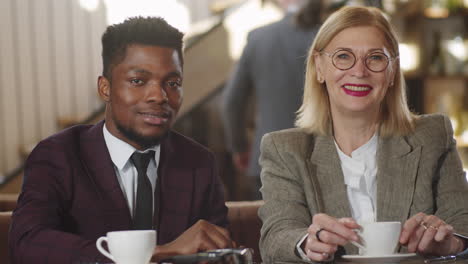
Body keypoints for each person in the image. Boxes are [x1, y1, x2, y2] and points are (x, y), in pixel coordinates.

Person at [9, 17, 234, 264]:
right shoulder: (58, 155)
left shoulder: (198, 163)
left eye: (173, 83)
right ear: (105, 88)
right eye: (138, 81)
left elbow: (218, 249)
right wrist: (154, 254)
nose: (159, 96)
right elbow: (27, 242)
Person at [258, 6, 468, 263]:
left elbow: (463, 220)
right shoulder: (285, 148)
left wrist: (452, 241)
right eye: (343, 57)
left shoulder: (432, 136)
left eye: (376, 58)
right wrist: (309, 243)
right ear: (319, 67)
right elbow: (277, 235)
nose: (359, 71)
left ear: (392, 72)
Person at [222, 0, 322, 200]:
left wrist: (239, 147)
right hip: (323, 158)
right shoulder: (328, 37)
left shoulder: (258, 38)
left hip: (268, 158)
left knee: (273, 228)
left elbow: (232, 102)